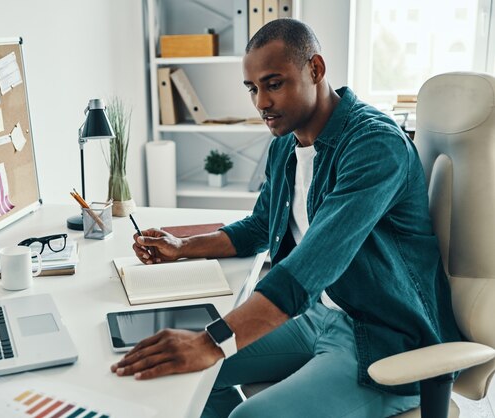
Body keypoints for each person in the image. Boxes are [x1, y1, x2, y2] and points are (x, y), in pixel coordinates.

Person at [111, 18, 461, 418]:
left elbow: (311, 265)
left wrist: (211, 343)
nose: (261, 102)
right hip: (319, 315)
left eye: (273, 84)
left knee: (242, 407)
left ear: (315, 69)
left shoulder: (373, 145)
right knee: (187, 377)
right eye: (253, 88)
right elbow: (262, 225)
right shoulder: (287, 146)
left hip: (386, 337)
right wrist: (182, 247)